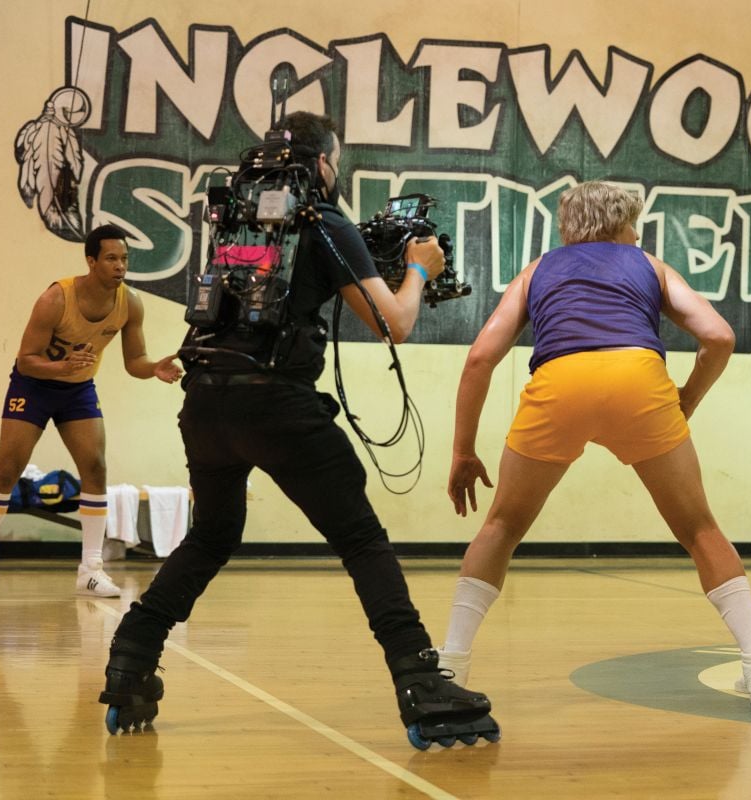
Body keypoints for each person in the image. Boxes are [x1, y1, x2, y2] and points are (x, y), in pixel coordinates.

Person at [98, 111, 498, 747]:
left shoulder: (233, 219)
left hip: (205, 403)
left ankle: (131, 658)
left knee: (212, 535)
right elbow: (393, 322)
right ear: (322, 164)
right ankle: (423, 683)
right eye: (335, 161)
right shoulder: (323, 220)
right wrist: (417, 268)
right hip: (278, 407)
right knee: (362, 540)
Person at [439, 180, 751, 708]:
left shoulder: (537, 270)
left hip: (560, 381)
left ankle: (450, 668)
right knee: (699, 529)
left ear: (567, 226)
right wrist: (687, 400)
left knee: (502, 527)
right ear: (624, 224)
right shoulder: (648, 265)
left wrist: (463, 451)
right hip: (638, 379)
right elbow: (718, 337)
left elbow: (479, 359)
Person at [0, 225, 182, 599]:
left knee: (95, 467)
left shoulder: (131, 303)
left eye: (125, 258)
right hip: (33, 386)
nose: (120, 266)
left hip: (77, 389)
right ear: (91, 261)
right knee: (7, 469)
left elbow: (135, 361)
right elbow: (26, 361)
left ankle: (91, 570)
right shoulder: (55, 299)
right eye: (111, 258)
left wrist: (153, 368)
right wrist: (60, 368)